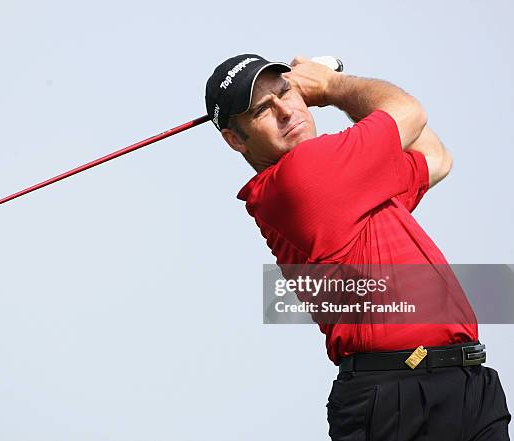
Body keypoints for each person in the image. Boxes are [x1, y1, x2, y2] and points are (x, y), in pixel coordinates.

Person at [205, 54, 511, 440]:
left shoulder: (350, 182)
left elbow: (436, 157)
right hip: (397, 397)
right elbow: (409, 112)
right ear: (235, 139)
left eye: (288, 91)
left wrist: (334, 88)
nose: (286, 111)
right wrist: (332, 87)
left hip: (466, 385)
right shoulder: (302, 175)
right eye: (264, 110)